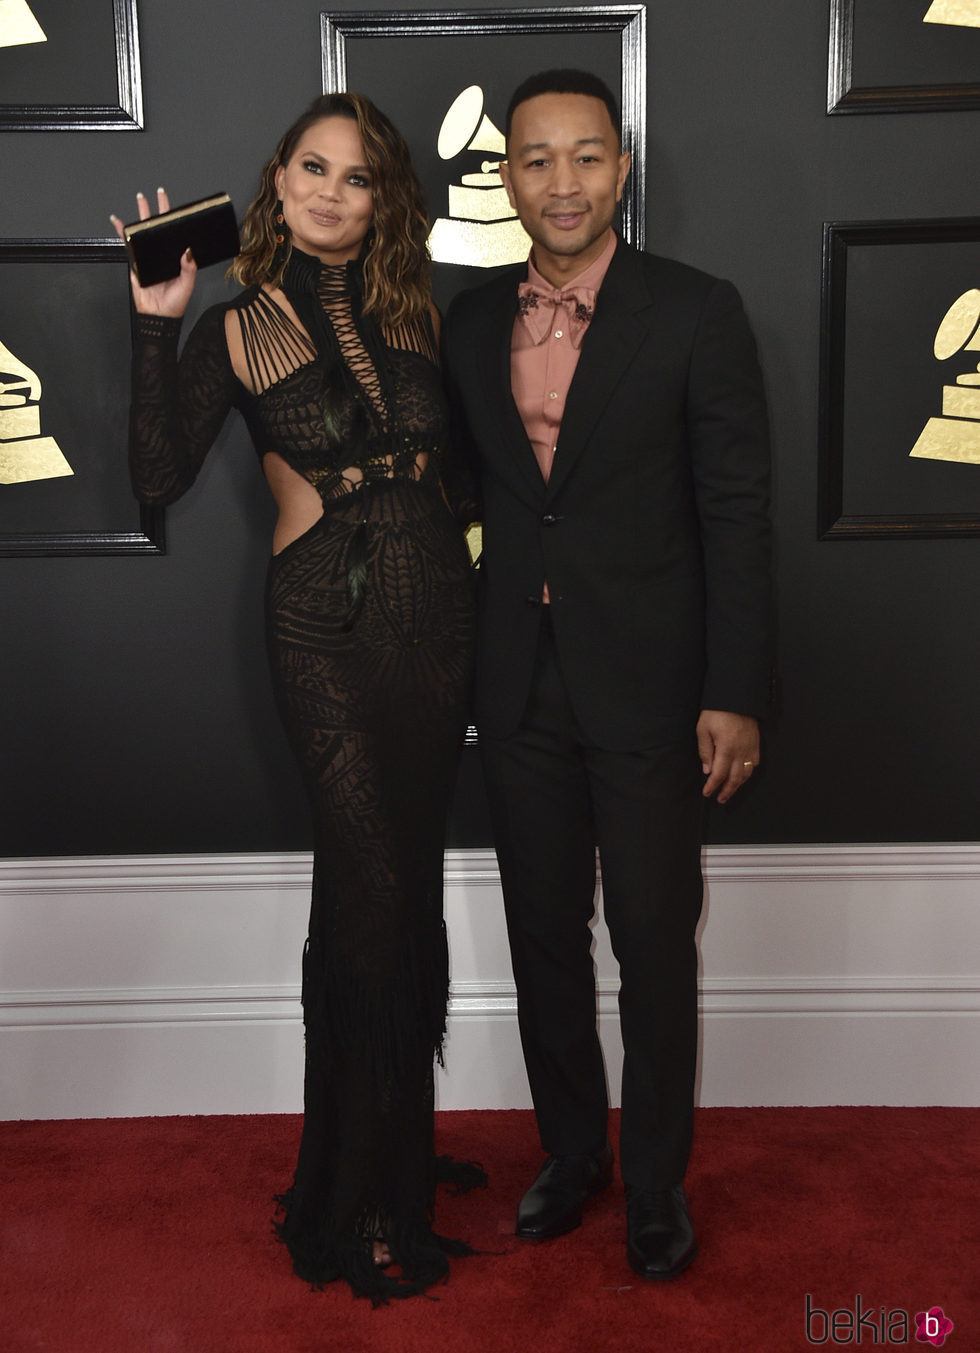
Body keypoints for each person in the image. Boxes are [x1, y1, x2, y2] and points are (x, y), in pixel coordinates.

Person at [111, 92, 482, 1303]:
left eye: (359, 176)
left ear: (387, 198)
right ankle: (356, 1195)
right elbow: (159, 478)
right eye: (311, 168)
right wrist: (155, 327)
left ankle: (390, 1156)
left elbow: (479, 480)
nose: (330, 192)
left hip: (436, 619)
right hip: (320, 619)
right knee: (367, 884)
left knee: (400, 884)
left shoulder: (422, 314)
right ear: (274, 179)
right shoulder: (235, 319)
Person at [443, 69, 772, 1281]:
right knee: (540, 938)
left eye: (585, 156)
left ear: (621, 168)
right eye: (535, 159)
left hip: (648, 689)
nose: (561, 182)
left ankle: (653, 1186)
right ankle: (569, 1155)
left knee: (649, 939)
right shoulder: (468, 325)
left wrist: (732, 688)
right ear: (508, 177)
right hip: (514, 684)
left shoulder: (694, 311)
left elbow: (736, 512)